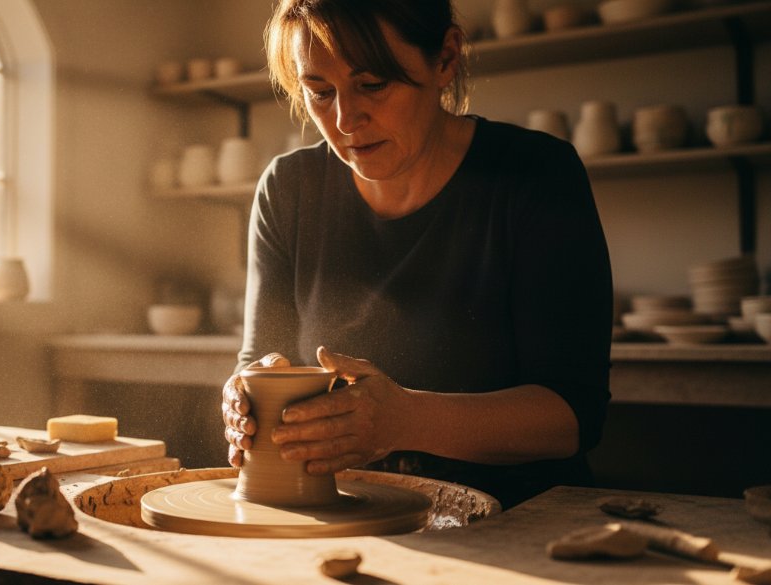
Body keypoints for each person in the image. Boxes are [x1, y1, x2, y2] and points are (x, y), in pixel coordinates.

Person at [221, 0, 613, 510]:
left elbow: (573, 416)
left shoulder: (535, 175)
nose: (344, 120)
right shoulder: (289, 188)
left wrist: (404, 420)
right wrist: (242, 402)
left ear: (445, 59)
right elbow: (260, 362)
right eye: (320, 92)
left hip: (521, 519)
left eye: (372, 84)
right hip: (354, 514)